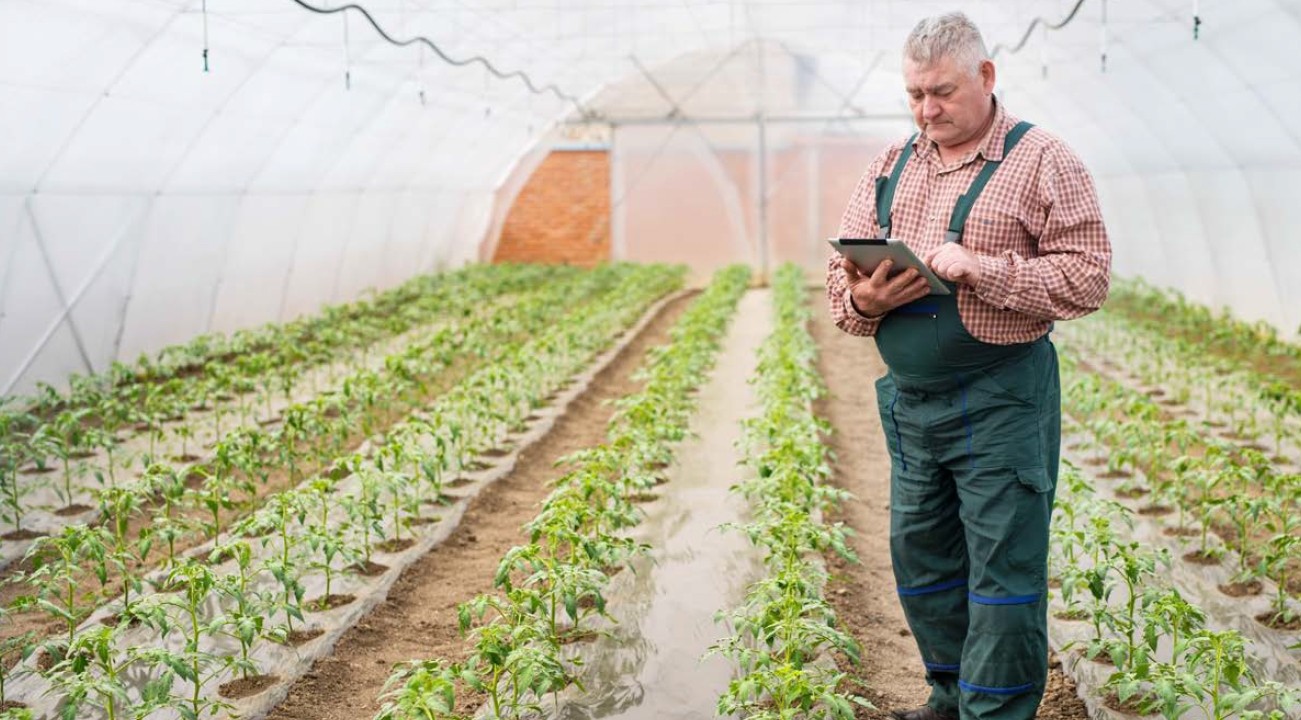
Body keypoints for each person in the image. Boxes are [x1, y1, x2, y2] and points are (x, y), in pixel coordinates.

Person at [825, 12, 1111, 720]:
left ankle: (995, 714)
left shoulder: (1043, 160)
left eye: (941, 93)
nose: (927, 111)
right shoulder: (891, 164)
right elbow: (837, 287)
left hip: (1001, 397)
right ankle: (948, 697)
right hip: (911, 404)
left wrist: (984, 270)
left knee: (1001, 573)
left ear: (986, 77)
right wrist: (863, 298)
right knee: (922, 562)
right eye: (914, 95)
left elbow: (1088, 278)